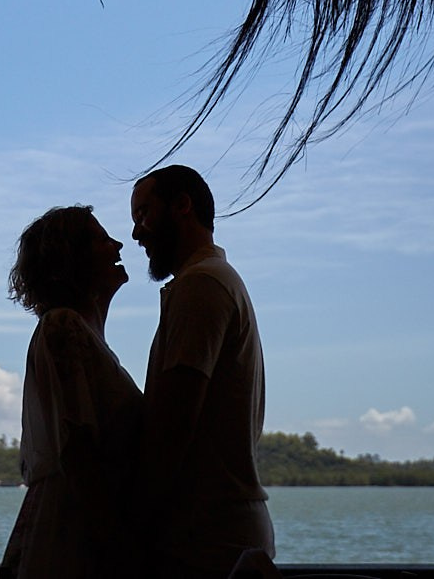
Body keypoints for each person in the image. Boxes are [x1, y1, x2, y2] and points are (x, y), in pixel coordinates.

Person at [132, 165, 275, 579]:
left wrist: (132, 523)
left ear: (182, 206)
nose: (137, 233)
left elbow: (172, 427)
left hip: (207, 538)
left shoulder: (201, 286)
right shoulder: (216, 281)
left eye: (143, 214)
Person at [0, 204, 143, 579]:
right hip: (76, 531)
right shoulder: (63, 327)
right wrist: (119, 547)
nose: (117, 245)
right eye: (100, 239)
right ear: (71, 259)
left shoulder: (82, 334)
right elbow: (78, 448)